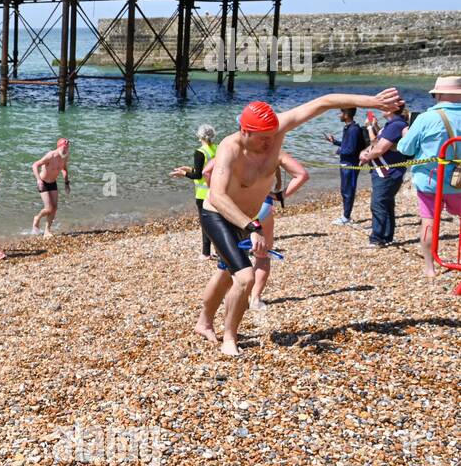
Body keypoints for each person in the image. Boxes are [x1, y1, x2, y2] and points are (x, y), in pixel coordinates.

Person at [195, 91, 400, 356]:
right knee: (245, 277)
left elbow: (323, 102)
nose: (271, 144)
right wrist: (253, 227)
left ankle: (204, 323)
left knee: (226, 273)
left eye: (273, 136)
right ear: (245, 131)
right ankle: (229, 339)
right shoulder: (229, 148)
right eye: (263, 139)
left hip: (246, 219)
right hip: (219, 215)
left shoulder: (276, 129)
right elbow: (218, 196)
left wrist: (371, 102)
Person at [396, 75, 461, 278]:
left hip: (431, 181)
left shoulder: (426, 118)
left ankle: (430, 268)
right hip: (459, 182)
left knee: (429, 222)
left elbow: (405, 149)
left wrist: (406, 134)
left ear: (438, 94)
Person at [249, 156, 309, 310]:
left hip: (240, 204)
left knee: (233, 256)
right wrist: (279, 195)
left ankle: (237, 296)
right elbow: (302, 175)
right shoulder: (274, 152)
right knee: (262, 256)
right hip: (264, 204)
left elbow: (208, 172)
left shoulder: (235, 147)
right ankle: (254, 299)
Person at [359, 98, 412, 249]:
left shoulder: (396, 125)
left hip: (388, 172)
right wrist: (372, 129)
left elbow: (380, 149)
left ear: (392, 108)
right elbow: (376, 144)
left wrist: (366, 156)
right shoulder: (391, 125)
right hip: (385, 171)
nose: (380, 107)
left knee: (378, 203)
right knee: (387, 203)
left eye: (384, 105)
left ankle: (377, 238)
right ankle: (387, 236)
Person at [170, 124, 217, 258]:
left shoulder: (200, 152)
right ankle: (219, 250)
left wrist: (183, 174)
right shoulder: (218, 148)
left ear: (199, 136)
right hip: (217, 190)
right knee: (217, 222)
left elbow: (198, 176)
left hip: (203, 194)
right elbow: (206, 169)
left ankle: (206, 253)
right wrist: (190, 169)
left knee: (205, 223)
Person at [324, 108, 367, 224]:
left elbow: (351, 149)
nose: (339, 115)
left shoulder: (354, 130)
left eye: (340, 113)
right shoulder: (348, 127)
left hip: (351, 166)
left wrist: (339, 151)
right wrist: (335, 142)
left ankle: (346, 217)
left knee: (349, 190)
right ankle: (345, 215)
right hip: (345, 164)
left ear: (346, 115)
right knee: (344, 190)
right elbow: (347, 144)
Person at [30, 138, 71, 237]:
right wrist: (38, 180)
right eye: (64, 148)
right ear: (59, 147)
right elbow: (35, 165)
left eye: (67, 148)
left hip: (53, 183)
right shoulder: (51, 155)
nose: (66, 150)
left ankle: (47, 231)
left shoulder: (64, 156)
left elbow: (64, 169)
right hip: (43, 183)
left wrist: (66, 183)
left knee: (55, 208)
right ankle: (37, 218)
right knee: (49, 208)